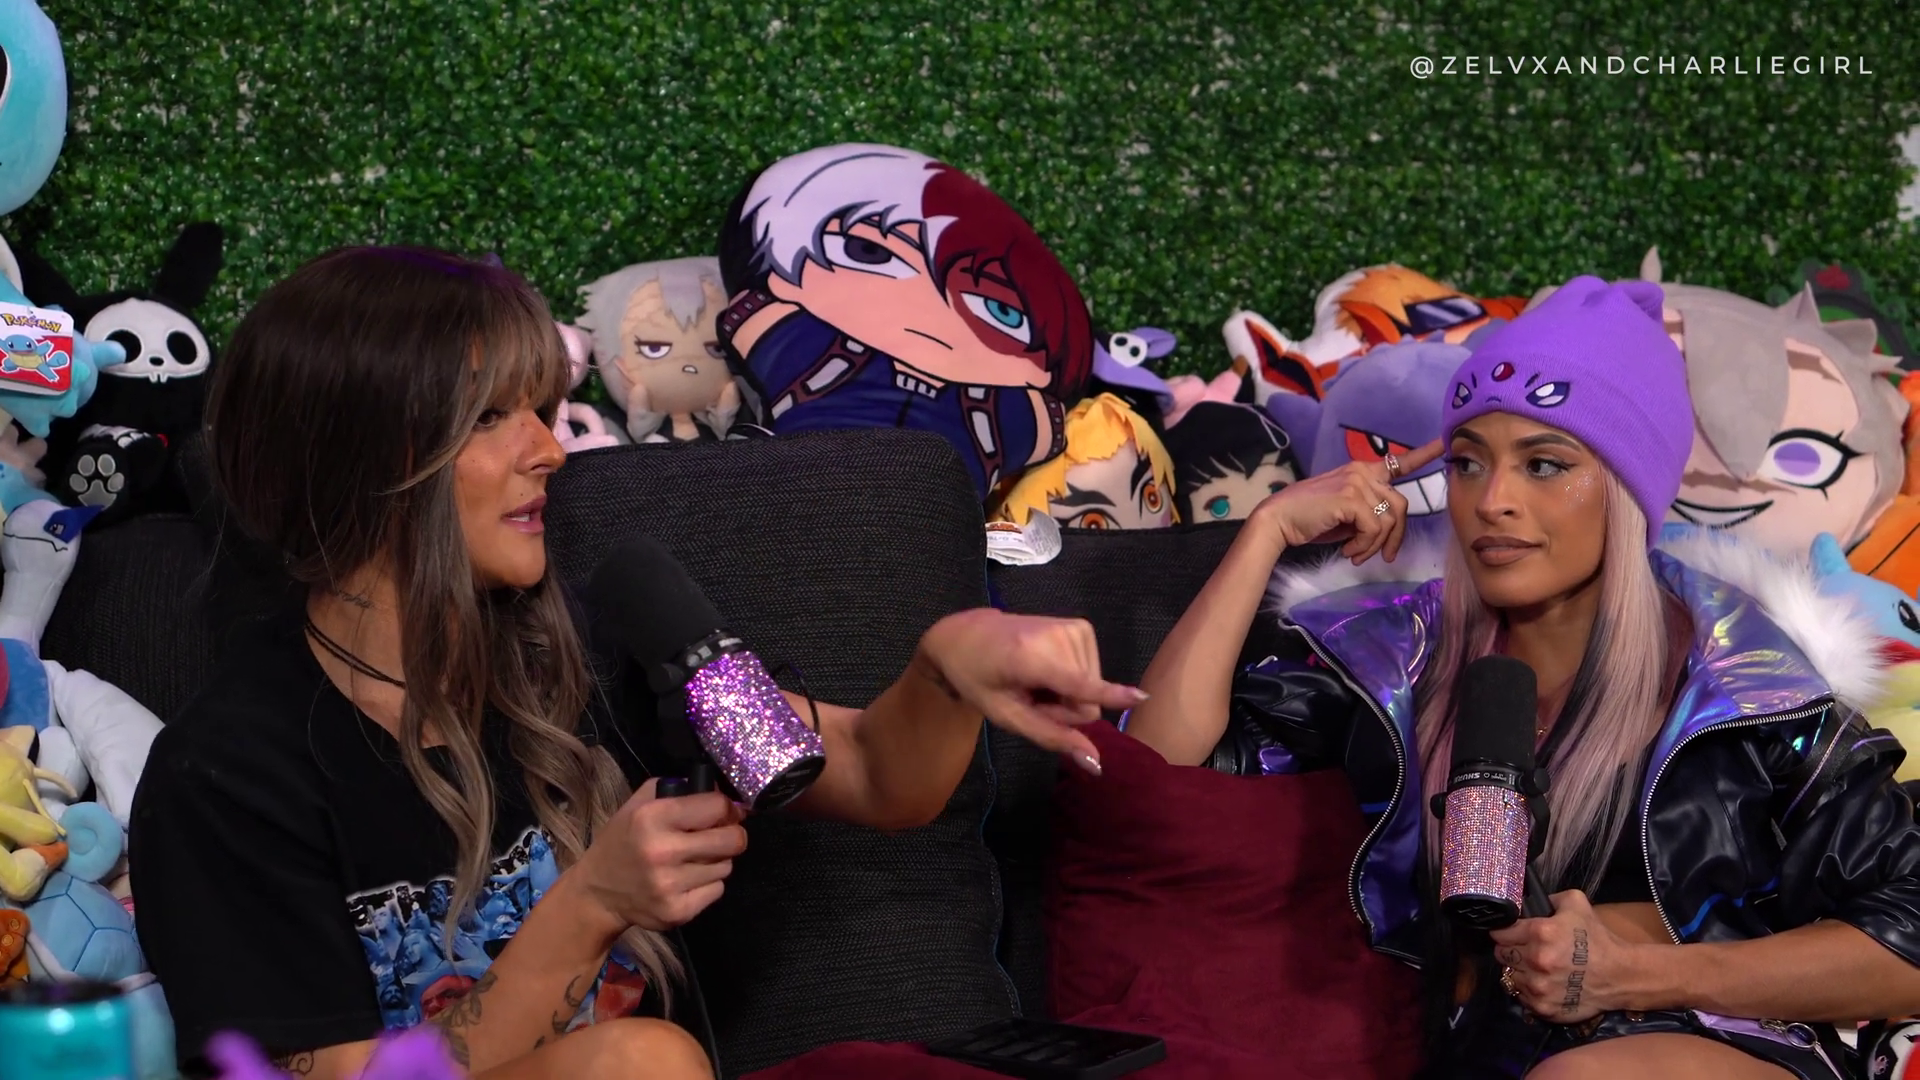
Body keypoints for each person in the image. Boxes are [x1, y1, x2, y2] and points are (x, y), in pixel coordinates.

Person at [128, 247, 1144, 1080]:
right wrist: (594, 904)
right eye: (491, 418)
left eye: (542, 408)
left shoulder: (606, 646)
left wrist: (946, 668)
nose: (549, 450)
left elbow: (880, 774)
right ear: (360, 462)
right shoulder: (227, 775)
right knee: (639, 1063)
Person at [1122, 276, 1920, 1079]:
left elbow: (1908, 938)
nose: (1493, 500)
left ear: (1625, 488)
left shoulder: (1750, 687)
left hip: (1717, 1043)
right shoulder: (1393, 658)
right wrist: (1265, 532)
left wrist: (1642, 974)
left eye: (1544, 464)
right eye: (1468, 463)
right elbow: (1153, 771)